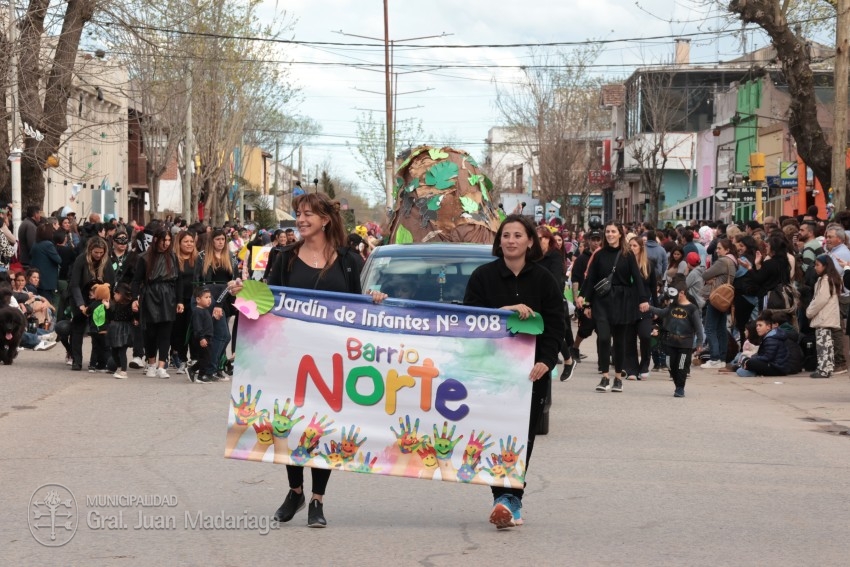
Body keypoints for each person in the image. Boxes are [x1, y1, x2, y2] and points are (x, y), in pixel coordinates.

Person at [267, 192, 387, 529]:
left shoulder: (348, 260)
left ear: (325, 220)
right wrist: (242, 291)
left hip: (334, 359)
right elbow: (267, 301)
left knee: (324, 427)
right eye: (299, 213)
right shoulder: (285, 258)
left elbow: (360, 305)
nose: (301, 220)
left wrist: (374, 298)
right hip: (292, 357)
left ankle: (317, 499)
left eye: (308, 214)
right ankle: (295, 491)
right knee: (291, 423)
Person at [464, 214, 564, 529]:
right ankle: (505, 499)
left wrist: (546, 361)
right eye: (506, 235)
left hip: (532, 374)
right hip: (492, 372)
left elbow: (556, 324)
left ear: (530, 241)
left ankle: (510, 498)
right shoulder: (483, 277)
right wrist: (501, 312)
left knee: (523, 437)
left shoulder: (544, 279)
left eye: (518, 235)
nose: (511, 241)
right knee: (495, 434)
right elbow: (468, 319)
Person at [577, 221, 649, 393]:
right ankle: (604, 376)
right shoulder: (599, 254)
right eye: (607, 231)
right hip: (602, 300)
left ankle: (617, 377)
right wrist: (584, 298)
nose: (610, 234)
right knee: (603, 337)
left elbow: (637, 278)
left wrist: (643, 299)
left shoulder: (627, 254)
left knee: (619, 341)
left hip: (623, 300)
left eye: (613, 231)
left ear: (620, 234)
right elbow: (591, 278)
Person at [131, 229, 184, 379]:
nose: (166, 243)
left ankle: (162, 365)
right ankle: (151, 364)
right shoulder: (145, 258)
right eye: (163, 240)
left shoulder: (173, 257)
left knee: (166, 331)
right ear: (156, 240)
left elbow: (179, 280)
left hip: (168, 295)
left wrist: (180, 301)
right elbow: (136, 280)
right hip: (150, 294)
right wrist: (135, 298)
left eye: (168, 240)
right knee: (151, 332)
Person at [195, 229, 239, 380]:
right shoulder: (203, 256)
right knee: (218, 335)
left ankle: (215, 367)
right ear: (212, 241)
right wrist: (201, 301)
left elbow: (235, 280)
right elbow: (198, 280)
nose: (221, 242)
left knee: (223, 336)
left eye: (223, 239)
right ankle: (207, 368)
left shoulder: (231, 256)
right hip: (209, 299)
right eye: (217, 239)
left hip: (225, 299)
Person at [649, 279, 705, 397]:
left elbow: (698, 327)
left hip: (685, 343)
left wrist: (699, 342)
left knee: (681, 366)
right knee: (669, 364)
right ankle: (677, 384)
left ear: (682, 293)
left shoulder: (692, 308)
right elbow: (662, 312)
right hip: (670, 342)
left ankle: (680, 387)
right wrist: (650, 307)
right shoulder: (672, 305)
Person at [536, 226, 577, 381]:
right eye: (535, 238)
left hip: (552, 299)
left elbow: (554, 280)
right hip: (535, 299)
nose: (537, 242)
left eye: (541, 238)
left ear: (548, 239)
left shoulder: (554, 256)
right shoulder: (533, 255)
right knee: (545, 331)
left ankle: (567, 360)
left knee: (552, 331)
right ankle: (567, 360)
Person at [68, 237, 115, 371]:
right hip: (81, 295)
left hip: (99, 298)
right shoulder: (81, 260)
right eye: (96, 252)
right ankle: (76, 360)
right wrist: (81, 304)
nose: (98, 255)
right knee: (78, 328)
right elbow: (74, 284)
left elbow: (111, 283)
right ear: (90, 250)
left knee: (99, 330)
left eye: (101, 252)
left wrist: (107, 301)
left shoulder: (106, 261)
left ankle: (100, 361)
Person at [700, 239, 737, 369]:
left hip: (717, 297)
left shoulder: (722, 261)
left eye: (720, 248)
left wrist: (712, 278)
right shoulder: (733, 262)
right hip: (725, 298)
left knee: (710, 328)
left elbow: (705, 274)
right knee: (721, 329)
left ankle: (715, 358)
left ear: (727, 250)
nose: (717, 251)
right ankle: (721, 358)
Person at [624, 235, 657, 380]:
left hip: (645, 306)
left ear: (641, 248)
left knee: (645, 335)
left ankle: (644, 365)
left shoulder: (648, 265)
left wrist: (656, 308)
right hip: (628, 305)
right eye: (630, 246)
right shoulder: (624, 263)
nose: (632, 248)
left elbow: (653, 287)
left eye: (635, 246)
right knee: (629, 338)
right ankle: (631, 368)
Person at [806, 255, 842, 378]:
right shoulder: (830, 279)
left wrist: (809, 311)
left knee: (823, 345)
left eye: (817, 265)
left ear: (825, 266)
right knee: (827, 344)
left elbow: (820, 300)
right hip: (827, 316)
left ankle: (824, 370)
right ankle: (827, 368)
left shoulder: (826, 280)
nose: (815, 267)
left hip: (823, 317)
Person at [171, 230, 198, 374]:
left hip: (195, 300)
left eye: (191, 241)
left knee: (194, 330)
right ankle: (181, 359)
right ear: (179, 243)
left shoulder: (198, 259)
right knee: (180, 331)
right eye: (186, 241)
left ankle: (194, 359)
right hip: (179, 301)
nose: (189, 244)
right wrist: (178, 300)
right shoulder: (174, 259)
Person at [736, 311, 792, 377]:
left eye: (760, 325)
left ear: (768, 326)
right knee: (746, 361)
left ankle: (753, 372)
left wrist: (752, 359)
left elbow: (768, 357)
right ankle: (751, 370)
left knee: (750, 363)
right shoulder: (768, 337)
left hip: (777, 368)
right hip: (774, 365)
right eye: (757, 326)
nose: (757, 328)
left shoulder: (771, 338)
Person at [29, 223, 62, 307]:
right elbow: (58, 260)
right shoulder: (48, 244)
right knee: (47, 304)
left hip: (38, 278)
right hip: (47, 281)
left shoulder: (35, 243)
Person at [108, 282, 136, 379]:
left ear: (120, 294)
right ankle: (119, 367)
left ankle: (123, 371)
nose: (114, 296)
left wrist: (136, 319)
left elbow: (133, 315)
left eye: (115, 294)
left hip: (125, 330)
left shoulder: (130, 305)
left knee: (122, 351)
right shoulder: (114, 304)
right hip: (115, 329)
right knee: (114, 351)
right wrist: (108, 308)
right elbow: (110, 317)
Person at [189, 287, 215, 383]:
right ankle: (201, 376)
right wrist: (201, 338)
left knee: (206, 357)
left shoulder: (205, 310)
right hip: (202, 338)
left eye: (210, 297)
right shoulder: (197, 311)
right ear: (198, 299)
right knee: (205, 358)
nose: (209, 299)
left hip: (207, 337)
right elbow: (197, 326)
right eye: (206, 297)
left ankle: (192, 369)